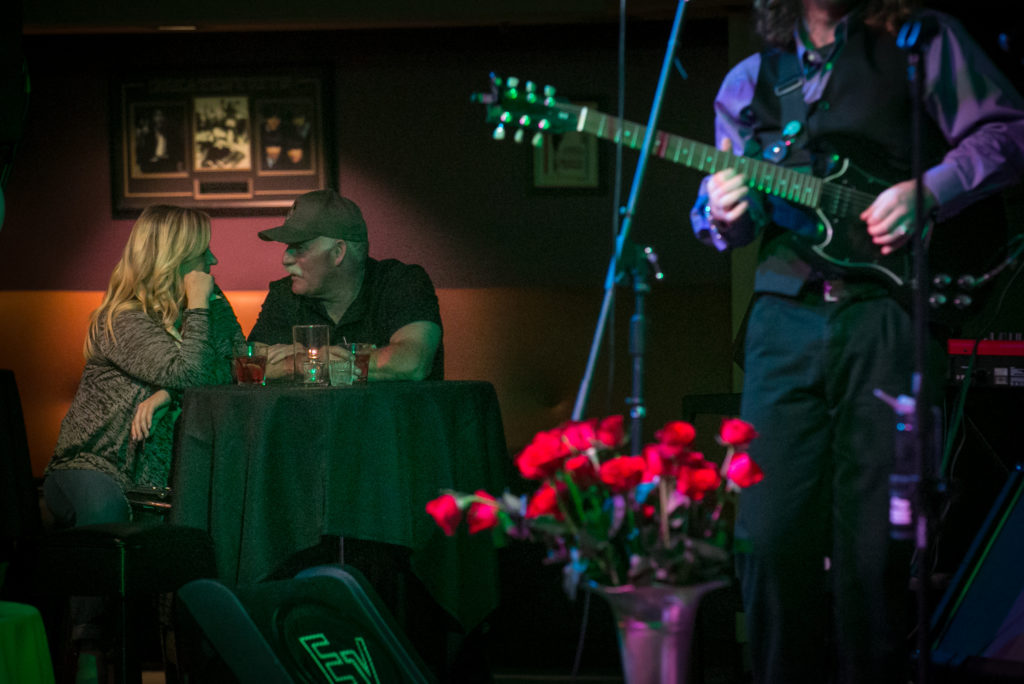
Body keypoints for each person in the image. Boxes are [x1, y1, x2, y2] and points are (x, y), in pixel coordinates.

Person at [690, 2, 1024, 682]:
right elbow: (729, 213)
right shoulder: (749, 79)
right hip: (783, 321)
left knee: (874, 548)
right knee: (769, 537)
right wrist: (719, 213)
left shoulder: (921, 39)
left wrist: (929, 191)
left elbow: (1009, 133)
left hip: (887, 313)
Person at [44, 204, 243, 535]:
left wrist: (167, 395)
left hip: (162, 480)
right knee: (107, 510)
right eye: (202, 250)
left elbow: (238, 367)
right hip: (92, 468)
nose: (213, 261)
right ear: (172, 258)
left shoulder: (207, 302)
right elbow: (191, 374)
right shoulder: (123, 320)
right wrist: (197, 306)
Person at [249, 189, 443, 381]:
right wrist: (306, 361)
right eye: (287, 248)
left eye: (299, 247)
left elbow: (413, 364)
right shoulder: (286, 292)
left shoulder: (401, 282)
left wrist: (321, 362)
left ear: (338, 252)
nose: (285, 259)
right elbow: (248, 366)